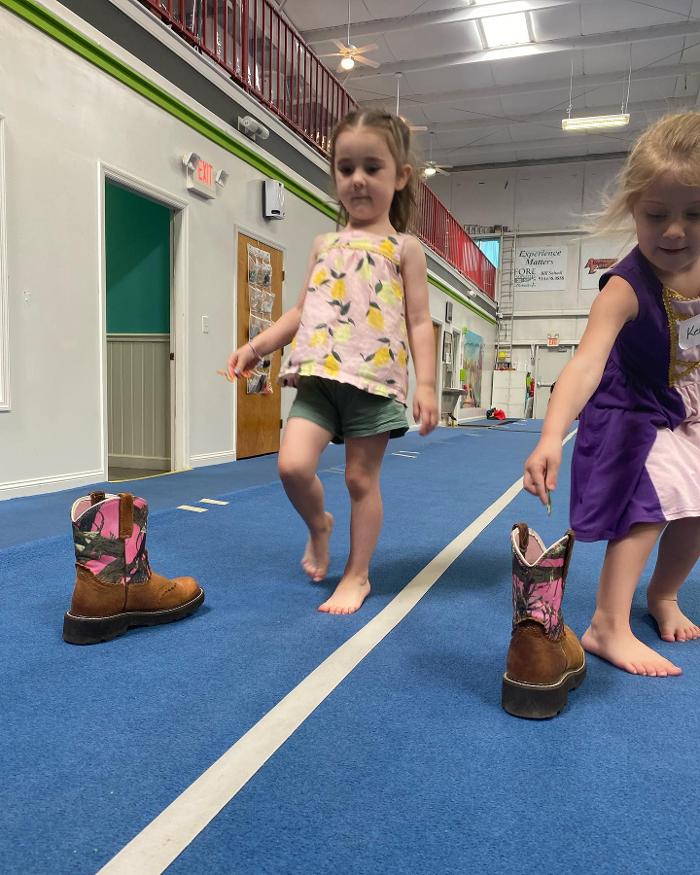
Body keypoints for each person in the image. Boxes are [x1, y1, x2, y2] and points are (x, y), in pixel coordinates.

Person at [228, 111, 438, 615]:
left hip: (373, 381)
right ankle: (319, 524)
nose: (358, 180)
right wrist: (256, 347)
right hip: (319, 378)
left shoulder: (404, 248)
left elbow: (419, 321)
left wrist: (426, 384)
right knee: (292, 466)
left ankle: (358, 573)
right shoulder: (324, 244)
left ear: (400, 176)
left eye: (372, 167)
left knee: (360, 481)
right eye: (346, 168)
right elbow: (302, 310)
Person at [524, 111, 700, 677]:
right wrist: (551, 436)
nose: (674, 232)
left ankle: (663, 594)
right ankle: (607, 623)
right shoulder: (625, 287)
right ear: (632, 210)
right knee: (652, 503)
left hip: (683, 398)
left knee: (697, 508)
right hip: (631, 403)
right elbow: (584, 363)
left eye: (695, 215)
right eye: (657, 216)